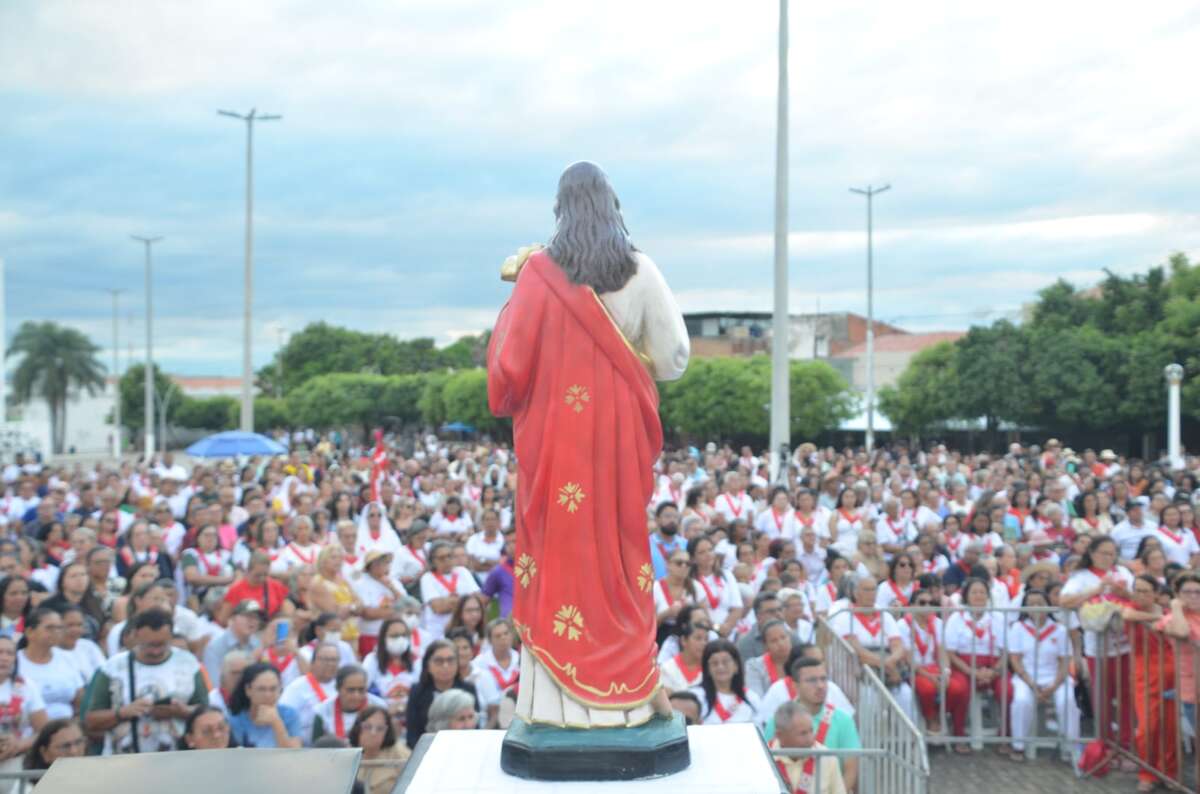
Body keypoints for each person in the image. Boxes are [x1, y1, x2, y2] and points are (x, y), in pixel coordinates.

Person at [83, 609, 208, 754]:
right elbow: (90, 721)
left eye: (162, 644)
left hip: (178, 758)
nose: (156, 651)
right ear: (135, 636)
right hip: (125, 760)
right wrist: (123, 713)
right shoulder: (112, 668)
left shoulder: (188, 663)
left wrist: (182, 711)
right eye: (149, 645)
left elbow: (205, 711)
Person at [1061, 536, 1134, 752]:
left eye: (1112, 553)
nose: (1108, 557)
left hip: (1125, 646)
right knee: (1102, 698)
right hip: (1098, 649)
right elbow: (1064, 600)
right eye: (1104, 552)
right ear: (1092, 553)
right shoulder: (1081, 576)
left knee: (1127, 698)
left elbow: (1138, 598)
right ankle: (1105, 743)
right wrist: (1098, 589)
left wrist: (1123, 593)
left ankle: (1126, 742)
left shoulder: (1123, 573)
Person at [1006, 589, 1079, 761]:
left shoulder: (1059, 629)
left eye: (1040, 603)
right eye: (1031, 604)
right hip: (1027, 677)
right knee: (1021, 701)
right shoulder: (1018, 628)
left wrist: (1054, 685)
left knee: (1067, 700)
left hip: (1055, 676)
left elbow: (1064, 661)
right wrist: (1031, 683)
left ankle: (1070, 746)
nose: (1036, 608)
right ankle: (1019, 745)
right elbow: (1015, 660)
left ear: (1048, 606)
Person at [1123, 574, 1178, 791]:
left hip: (1171, 675)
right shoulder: (1131, 608)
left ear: (1156, 593)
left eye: (1146, 591)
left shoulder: (1167, 613)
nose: (1141, 594)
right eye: (1137, 589)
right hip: (1144, 676)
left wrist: (1162, 618)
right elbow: (1127, 613)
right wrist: (1156, 619)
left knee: (1170, 727)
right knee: (1147, 727)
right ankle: (1147, 772)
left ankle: (1169, 771)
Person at [944, 577, 1011, 752]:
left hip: (993, 666)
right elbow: (951, 653)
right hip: (964, 666)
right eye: (974, 592)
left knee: (1007, 690)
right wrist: (972, 672)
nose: (979, 596)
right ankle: (959, 736)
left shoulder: (997, 617)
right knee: (960, 690)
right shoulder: (956, 618)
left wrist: (994, 671)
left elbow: (1006, 652)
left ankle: (1006, 736)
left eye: (982, 592)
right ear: (966, 596)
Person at [405, 640, 478, 748]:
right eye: (439, 661)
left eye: (450, 660)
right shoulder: (418, 692)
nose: (445, 666)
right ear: (427, 665)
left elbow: (476, 728)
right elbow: (412, 734)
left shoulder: (468, 689)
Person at [16, 609, 84, 722]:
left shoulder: (67, 658)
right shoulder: (15, 661)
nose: (56, 632)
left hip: (67, 726)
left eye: (59, 628)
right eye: (50, 628)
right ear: (29, 632)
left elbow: (80, 700)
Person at [0, 634, 47, 789]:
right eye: (0, 652)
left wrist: (19, 745)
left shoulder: (27, 686)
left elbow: (43, 731)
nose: (4, 657)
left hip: (14, 759)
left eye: (9, 653)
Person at [771, 701, 847, 794]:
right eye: (803, 733)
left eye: (811, 731)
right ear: (780, 735)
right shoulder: (762, 759)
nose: (811, 739)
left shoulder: (826, 757)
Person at [226, 662, 303, 748]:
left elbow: (294, 755)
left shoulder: (290, 715)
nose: (268, 695)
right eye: (261, 689)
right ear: (248, 690)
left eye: (273, 689)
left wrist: (276, 723)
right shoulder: (235, 721)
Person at [279, 641, 341, 745]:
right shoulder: (297, 686)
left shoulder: (342, 685)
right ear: (313, 662)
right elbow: (283, 717)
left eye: (334, 660)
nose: (330, 664)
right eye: (325, 659)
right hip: (304, 748)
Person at [418, 541, 480, 641]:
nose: (446, 560)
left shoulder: (463, 571)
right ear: (433, 561)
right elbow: (438, 608)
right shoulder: (427, 578)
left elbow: (478, 599)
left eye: (449, 556)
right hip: (438, 632)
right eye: (441, 558)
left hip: (465, 629)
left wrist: (448, 601)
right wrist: (465, 603)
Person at [691, 639, 759, 725]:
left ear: (736, 666)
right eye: (715, 663)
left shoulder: (751, 698)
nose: (720, 667)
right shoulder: (696, 697)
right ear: (707, 669)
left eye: (725, 662)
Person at [363, 617, 416, 725]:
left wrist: (403, 708)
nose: (400, 640)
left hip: (412, 719)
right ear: (383, 638)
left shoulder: (417, 662)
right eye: (394, 636)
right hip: (382, 720)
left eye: (403, 635)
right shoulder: (372, 660)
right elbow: (363, 691)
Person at [311, 665, 384, 743]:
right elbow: (317, 749)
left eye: (361, 690)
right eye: (351, 690)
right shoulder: (321, 711)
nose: (357, 695)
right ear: (337, 688)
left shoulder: (379, 706)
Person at [352, 550, 404, 657]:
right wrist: (396, 610)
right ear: (370, 566)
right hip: (370, 636)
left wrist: (392, 588)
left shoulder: (394, 582)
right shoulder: (361, 584)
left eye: (386, 562)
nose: (384, 566)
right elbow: (368, 613)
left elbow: (407, 605)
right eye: (378, 563)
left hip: (394, 635)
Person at [219, 551, 293, 624]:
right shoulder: (236, 590)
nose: (262, 579)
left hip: (269, 628)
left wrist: (285, 617)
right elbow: (223, 619)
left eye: (265, 574)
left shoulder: (274, 585)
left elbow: (287, 605)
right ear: (248, 571)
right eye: (257, 575)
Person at [350, 705, 410, 794]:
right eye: (367, 727)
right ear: (358, 729)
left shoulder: (399, 753)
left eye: (380, 729)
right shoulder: (349, 755)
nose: (373, 733)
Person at [472, 618, 519, 728]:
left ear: (512, 635)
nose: (503, 638)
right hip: (489, 717)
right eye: (498, 636)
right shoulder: (479, 663)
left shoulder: (521, 660)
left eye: (506, 633)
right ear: (490, 640)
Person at [203, 600, 264, 684]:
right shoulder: (215, 647)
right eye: (248, 616)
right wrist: (252, 659)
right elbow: (214, 684)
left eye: (256, 617)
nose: (252, 621)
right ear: (233, 618)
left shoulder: (258, 644)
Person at [659, 614, 710, 693]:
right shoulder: (667, 669)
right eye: (698, 638)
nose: (703, 643)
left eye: (706, 639)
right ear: (683, 640)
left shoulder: (710, 670)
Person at [57, 605, 105, 683]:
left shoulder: (89, 646)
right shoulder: (50, 651)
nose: (76, 630)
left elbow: (103, 673)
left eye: (79, 625)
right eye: (70, 625)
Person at [745, 619, 794, 696]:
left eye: (783, 637)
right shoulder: (754, 666)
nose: (781, 644)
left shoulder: (802, 659)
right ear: (765, 646)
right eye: (774, 641)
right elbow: (756, 697)